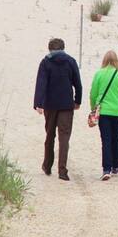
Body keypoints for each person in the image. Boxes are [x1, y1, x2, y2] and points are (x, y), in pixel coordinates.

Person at [33, 38, 82, 181]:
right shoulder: (70, 61)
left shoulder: (45, 62)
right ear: (63, 48)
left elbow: (41, 83)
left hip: (50, 104)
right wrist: (77, 100)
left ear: (49, 49)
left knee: (50, 135)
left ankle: (47, 165)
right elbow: (77, 83)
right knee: (64, 137)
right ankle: (62, 171)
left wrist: (38, 103)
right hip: (66, 104)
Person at [87, 50, 118, 181]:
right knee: (115, 138)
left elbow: (93, 93)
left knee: (106, 139)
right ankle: (115, 165)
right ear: (116, 61)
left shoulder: (99, 74)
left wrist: (93, 108)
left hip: (103, 111)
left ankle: (106, 169)